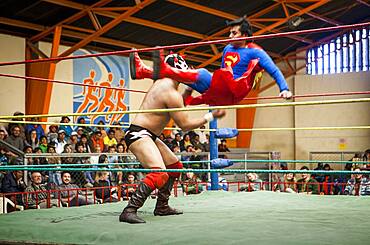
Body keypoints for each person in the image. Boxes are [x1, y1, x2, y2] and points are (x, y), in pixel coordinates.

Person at [119, 55, 226, 224]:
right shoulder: (170, 92)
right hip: (140, 134)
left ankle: (162, 206)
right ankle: (129, 210)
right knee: (159, 173)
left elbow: (177, 105)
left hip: (148, 134)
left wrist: (189, 90)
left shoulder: (163, 84)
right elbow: (185, 125)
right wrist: (209, 116)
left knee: (175, 167)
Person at [130, 16, 292, 106]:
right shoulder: (228, 48)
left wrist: (284, 88)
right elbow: (221, 73)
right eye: (230, 33)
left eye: (234, 33)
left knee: (199, 72)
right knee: (182, 75)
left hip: (233, 93)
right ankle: (143, 72)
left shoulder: (255, 52)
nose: (229, 37)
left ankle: (163, 69)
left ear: (244, 36)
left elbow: (274, 70)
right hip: (220, 89)